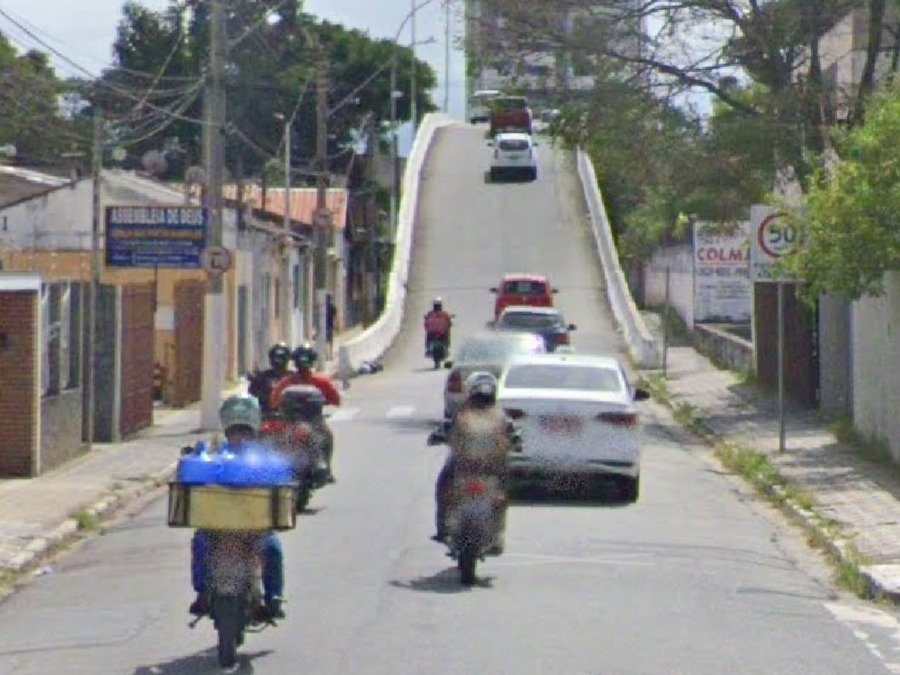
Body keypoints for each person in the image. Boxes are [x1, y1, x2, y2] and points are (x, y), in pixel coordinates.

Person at [189, 394, 286, 620]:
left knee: (272, 548)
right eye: (234, 431)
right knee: (200, 544)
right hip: (218, 525)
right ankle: (202, 593)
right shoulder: (214, 454)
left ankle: (274, 597)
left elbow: (281, 477)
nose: (239, 437)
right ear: (226, 431)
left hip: (255, 525)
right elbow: (197, 473)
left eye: (244, 431)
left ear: (254, 430)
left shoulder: (266, 456)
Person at [431, 371, 517, 552]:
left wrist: (515, 440)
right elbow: (445, 428)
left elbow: (513, 435)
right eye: (479, 397)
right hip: (463, 465)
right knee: (443, 485)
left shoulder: (501, 418)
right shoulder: (460, 415)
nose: (482, 402)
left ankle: (497, 533)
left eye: (485, 397)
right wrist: (439, 435)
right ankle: (443, 527)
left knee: (502, 493)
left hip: (489, 467)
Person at [270, 343, 341, 481]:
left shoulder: (321, 381)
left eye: (306, 359)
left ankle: (326, 466)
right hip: (291, 422)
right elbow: (274, 401)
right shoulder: (286, 382)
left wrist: (325, 403)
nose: (303, 363)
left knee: (326, 435)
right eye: (300, 360)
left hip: (313, 421)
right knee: (275, 437)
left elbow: (336, 400)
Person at [248, 343, 291, 417]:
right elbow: (251, 397)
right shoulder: (262, 376)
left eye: (281, 358)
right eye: (276, 358)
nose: (278, 361)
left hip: (289, 418)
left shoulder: (293, 377)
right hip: (265, 416)